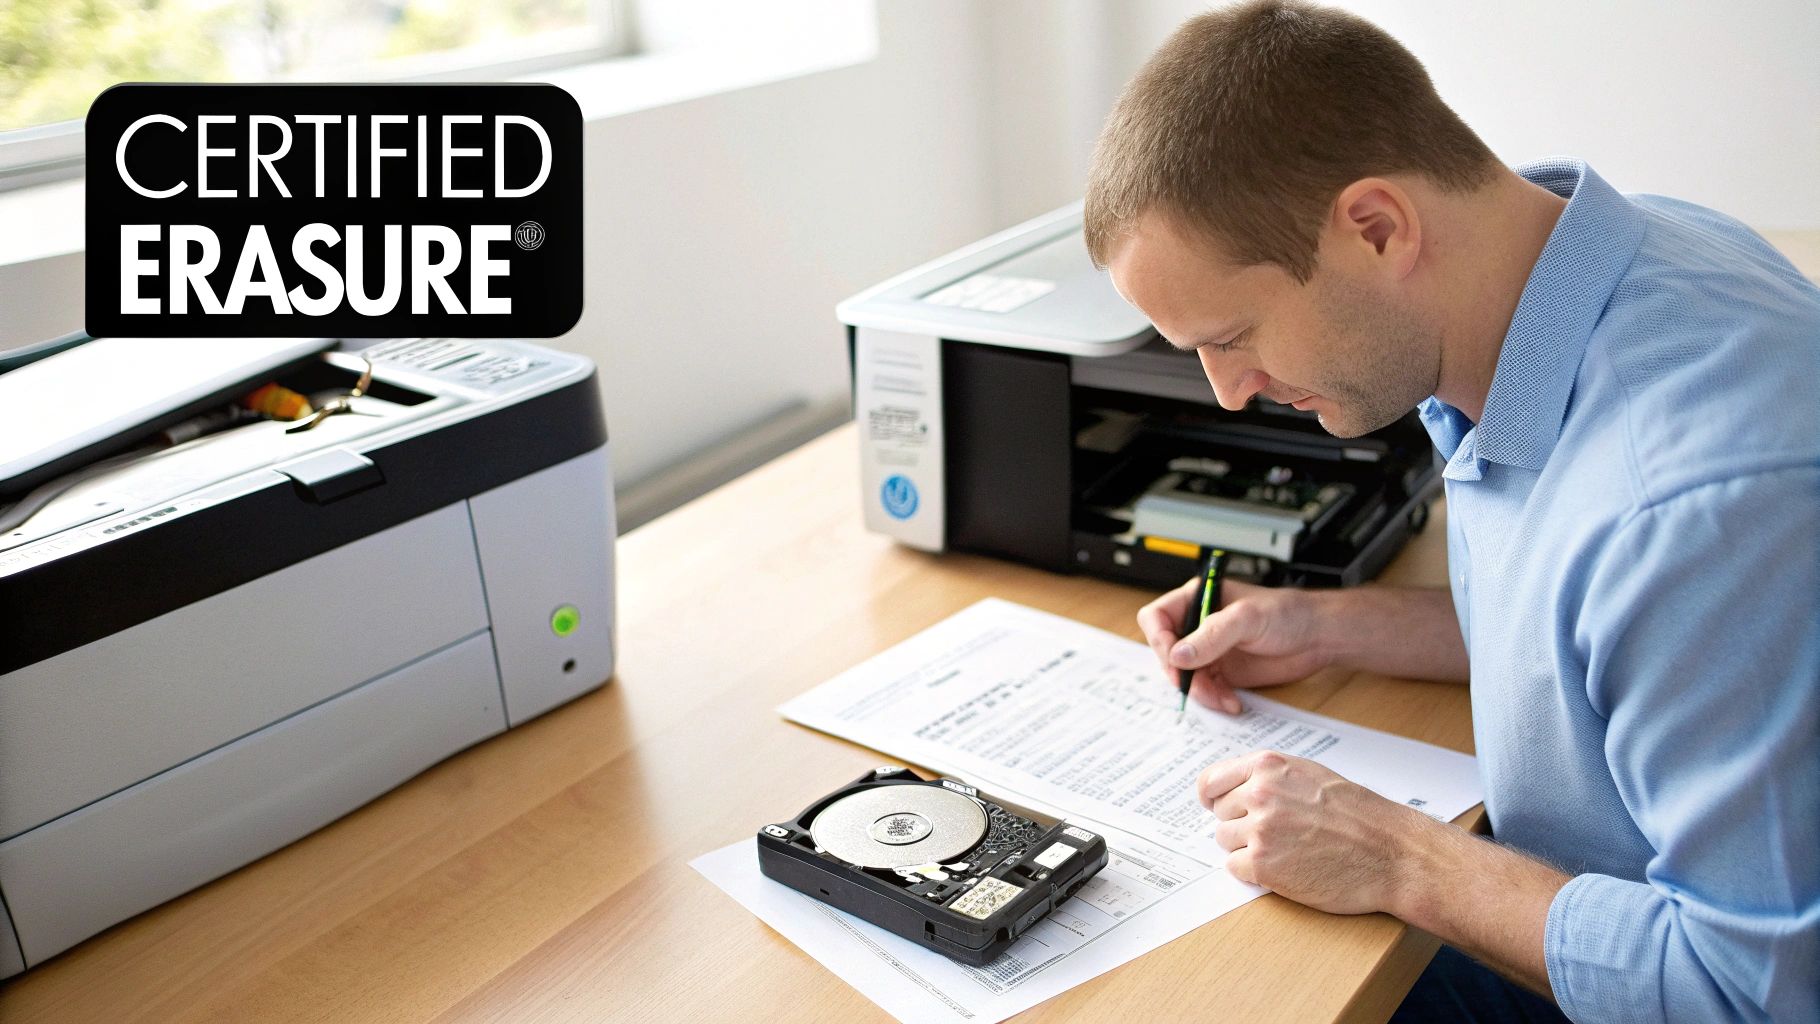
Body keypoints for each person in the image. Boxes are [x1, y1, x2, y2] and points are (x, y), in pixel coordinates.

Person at [1086, 2, 1819, 1021]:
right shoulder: (1606, 264)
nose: (1229, 391)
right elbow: (1602, 639)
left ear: (1377, 228)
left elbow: (1754, 993)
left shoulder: (1687, 514)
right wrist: (1322, 626)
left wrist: (1398, 856)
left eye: (1233, 334)